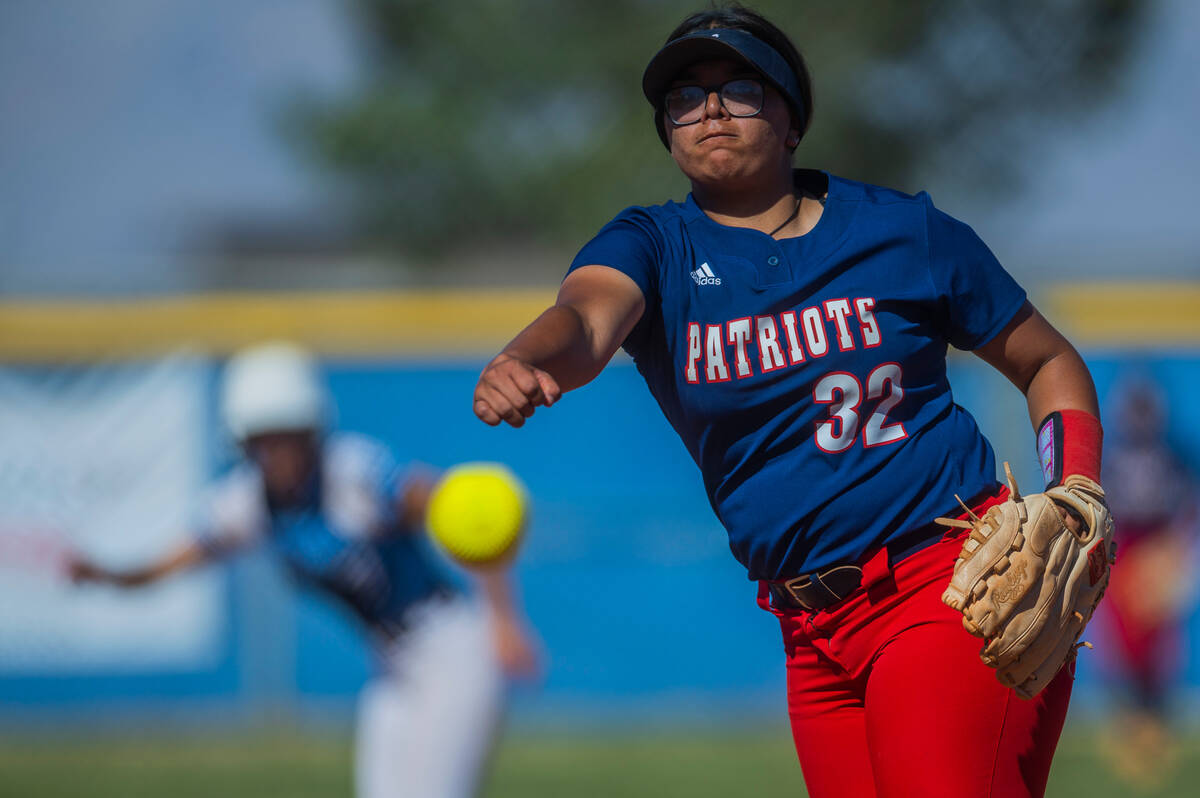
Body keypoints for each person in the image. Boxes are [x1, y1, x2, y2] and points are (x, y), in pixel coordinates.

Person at [471, 5, 1105, 797]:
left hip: (948, 592)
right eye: (684, 97)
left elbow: (1049, 362)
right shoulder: (655, 246)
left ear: (791, 118)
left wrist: (1075, 487)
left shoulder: (903, 234)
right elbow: (587, 318)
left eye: (738, 87)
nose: (708, 109)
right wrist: (528, 355)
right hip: (811, 634)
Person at [71, 341, 539, 798]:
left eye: (288, 436)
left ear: (312, 431)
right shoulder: (247, 501)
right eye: (263, 440)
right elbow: (172, 562)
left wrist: (501, 615)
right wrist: (108, 575)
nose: (278, 454)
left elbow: (460, 511)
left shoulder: (353, 471)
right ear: (243, 442)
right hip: (394, 664)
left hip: (451, 650)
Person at [1098, 375, 1197, 785]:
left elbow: (1186, 508)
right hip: (1124, 553)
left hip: (1157, 552)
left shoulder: (1172, 457)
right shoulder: (1114, 458)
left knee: (1156, 646)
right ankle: (1131, 729)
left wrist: (1176, 555)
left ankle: (1155, 728)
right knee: (1123, 645)